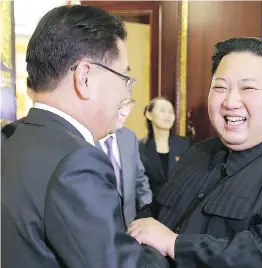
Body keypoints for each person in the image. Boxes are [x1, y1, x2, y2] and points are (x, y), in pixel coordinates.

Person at [128, 37, 262, 268]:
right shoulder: (197, 152)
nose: (230, 101)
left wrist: (174, 244)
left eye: (248, 88)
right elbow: (153, 216)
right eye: (220, 87)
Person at [1, 5, 168, 268]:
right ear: (85, 77)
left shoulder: (12, 139)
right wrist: (169, 245)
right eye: (124, 77)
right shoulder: (76, 161)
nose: (126, 95)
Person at [97, 97, 152, 227]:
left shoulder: (129, 137)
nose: (125, 112)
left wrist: (148, 215)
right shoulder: (84, 138)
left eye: (129, 104)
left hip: (129, 225)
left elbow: (140, 180)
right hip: (98, 227)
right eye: (121, 105)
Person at [139, 97, 190, 197]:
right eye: (162, 111)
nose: (168, 115)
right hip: (150, 207)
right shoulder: (139, 147)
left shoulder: (184, 144)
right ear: (149, 115)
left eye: (171, 112)